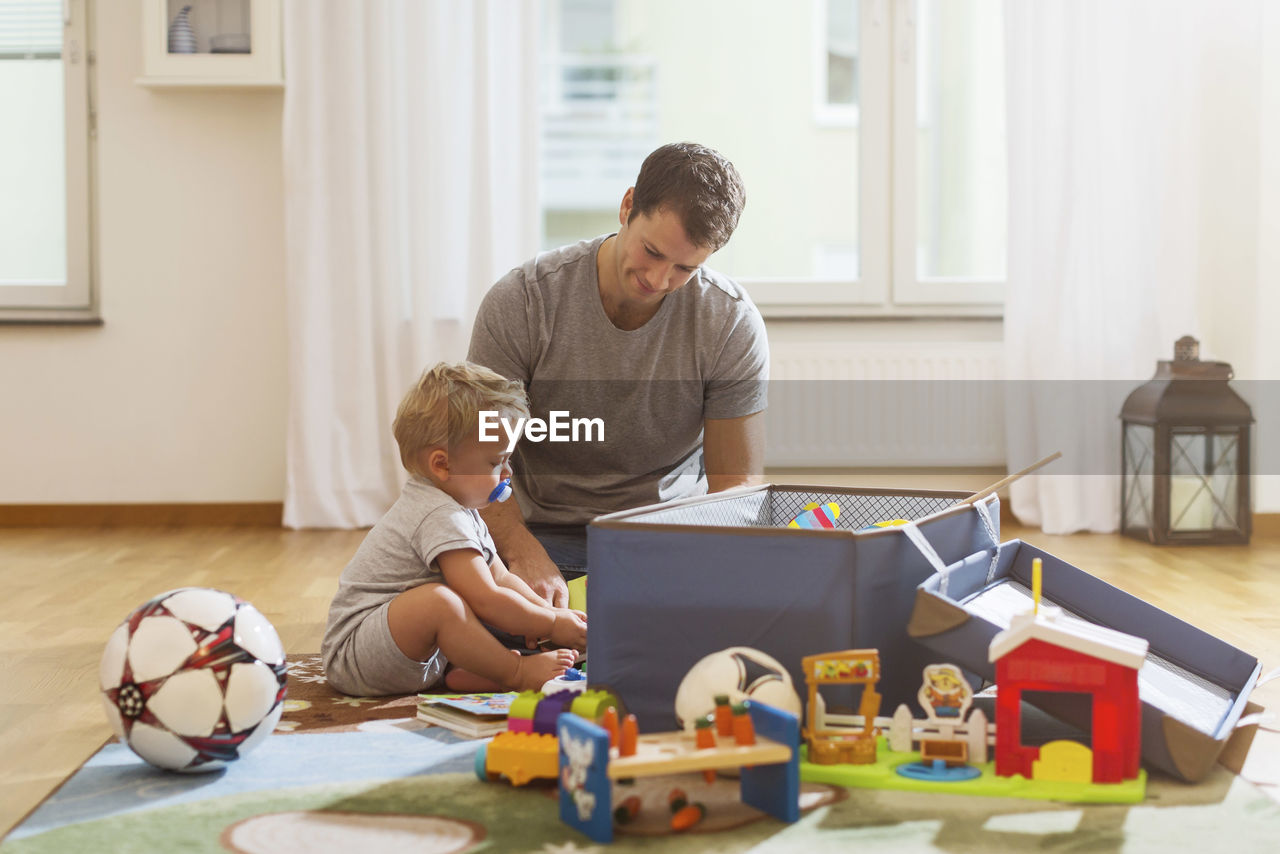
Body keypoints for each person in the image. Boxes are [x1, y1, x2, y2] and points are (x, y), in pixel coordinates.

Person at [468, 141, 769, 608]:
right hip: (541, 533)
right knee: (447, 620)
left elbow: (736, 487)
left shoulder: (728, 321)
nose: (660, 279)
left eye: (685, 268)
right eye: (651, 251)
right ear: (628, 206)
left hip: (668, 539)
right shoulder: (523, 302)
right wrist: (521, 550)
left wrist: (707, 569)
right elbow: (477, 456)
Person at [321, 362, 586, 697]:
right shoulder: (438, 514)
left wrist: (547, 613)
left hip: (406, 652)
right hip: (357, 655)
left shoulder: (466, 510)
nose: (507, 474)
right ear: (442, 464)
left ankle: (465, 671)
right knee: (440, 602)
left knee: (457, 600)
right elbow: (487, 598)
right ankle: (514, 671)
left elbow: (501, 579)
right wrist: (548, 624)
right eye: (495, 462)